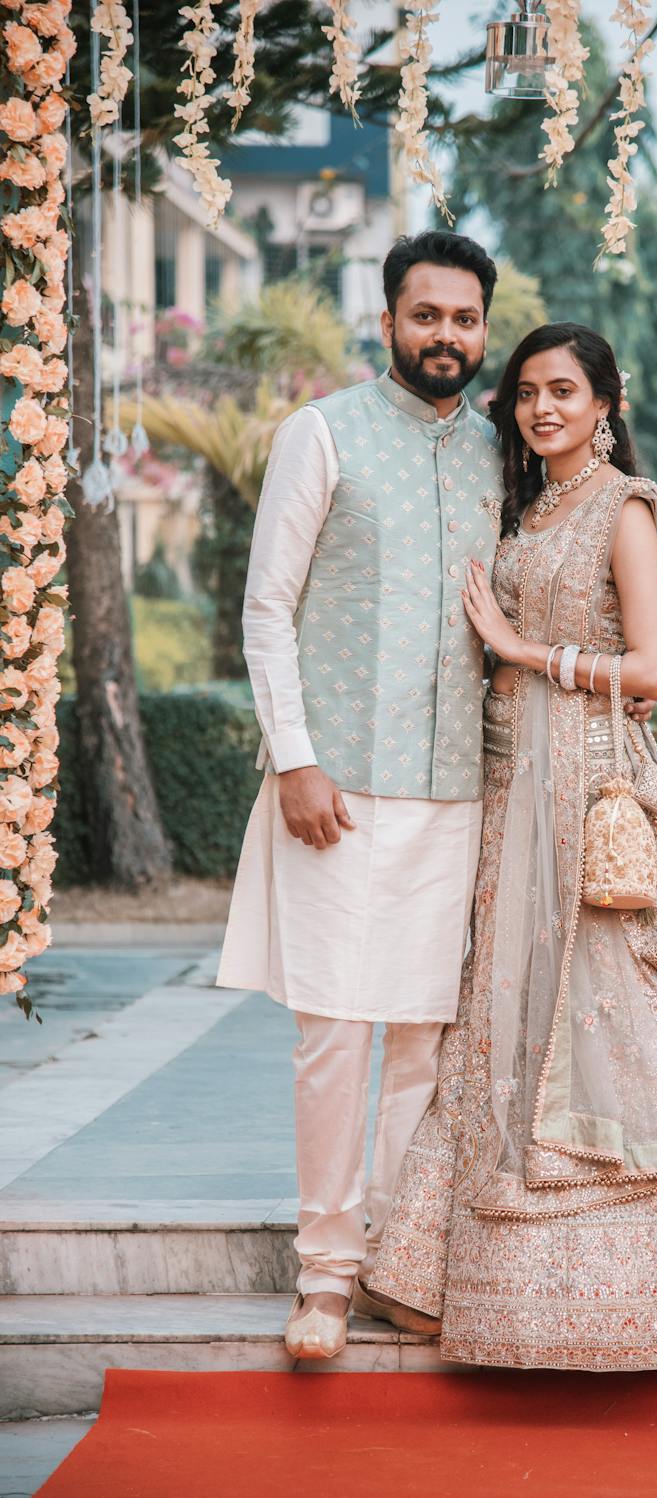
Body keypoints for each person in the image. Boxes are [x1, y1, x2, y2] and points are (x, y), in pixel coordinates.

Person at [365, 322, 657, 1371]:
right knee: (502, 1004)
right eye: (527, 392)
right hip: (512, 785)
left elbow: (655, 668)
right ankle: (446, 1272)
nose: (543, 409)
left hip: (593, 793)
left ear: (605, 405)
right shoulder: (527, 505)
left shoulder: (626, 507)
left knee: (608, 1003)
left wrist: (525, 651)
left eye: (564, 391)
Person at [215, 231, 506, 1359]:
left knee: (424, 1043)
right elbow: (265, 606)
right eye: (426, 315)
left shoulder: (499, 453)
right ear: (388, 321)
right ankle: (325, 1275)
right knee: (334, 1035)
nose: (446, 335)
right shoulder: (323, 431)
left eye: (464, 318)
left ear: (483, 329)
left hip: (456, 794)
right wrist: (294, 757)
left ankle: (399, 1262)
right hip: (333, 789)